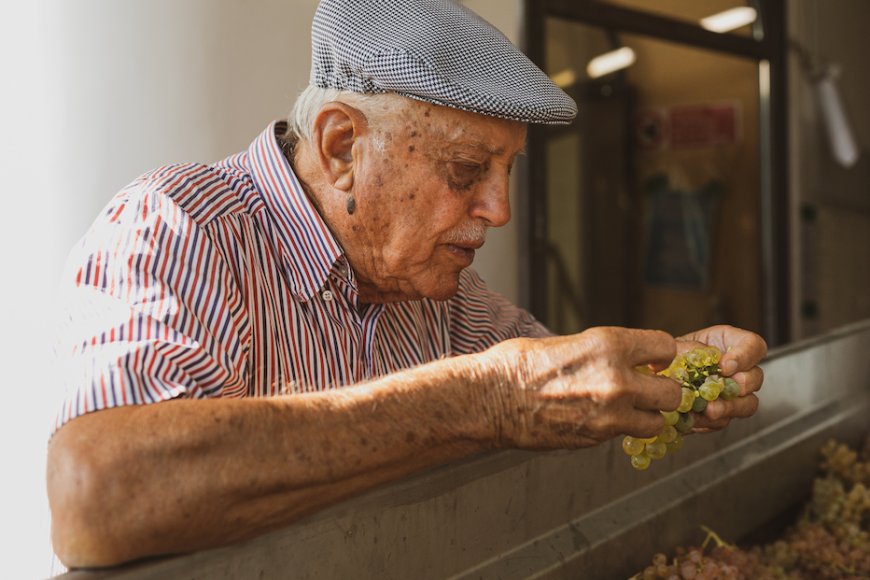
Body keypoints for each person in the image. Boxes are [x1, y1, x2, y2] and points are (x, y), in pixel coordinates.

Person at [46, 0, 767, 569]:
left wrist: (674, 371)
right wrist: (484, 399)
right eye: (465, 172)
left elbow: (563, 387)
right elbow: (98, 496)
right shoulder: (181, 226)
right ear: (340, 146)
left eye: (507, 171)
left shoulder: (445, 296)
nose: (500, 210)